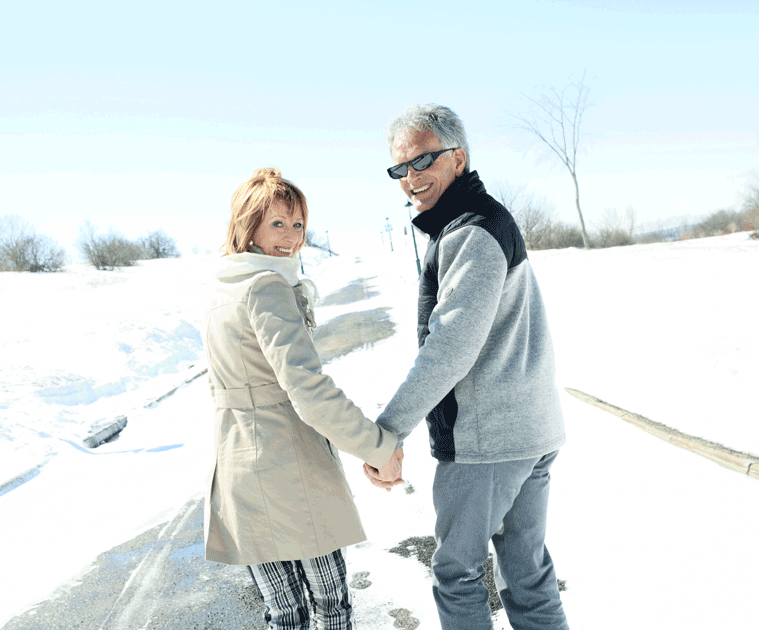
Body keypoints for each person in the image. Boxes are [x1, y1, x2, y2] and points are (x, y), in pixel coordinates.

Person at [363, 105, 569, 630]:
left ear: (458, 157)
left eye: (423, 160)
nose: (411, 178)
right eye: (400, 169)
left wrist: (386, 432)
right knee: (527, 575)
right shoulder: (478, 221)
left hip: (487, 442)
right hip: (527, 430)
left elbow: (449, 347)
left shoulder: (471, 231)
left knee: (457, 573)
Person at [203, 167, 401, 630]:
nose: (291, 237)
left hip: (239, 470)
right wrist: (378, 447)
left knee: (284, 615)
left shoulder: (221, 286)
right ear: (246, 224)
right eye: (277, 223)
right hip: (288, 467)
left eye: (298, 225)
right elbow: (307, 389)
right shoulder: (266, 286)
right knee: (330, 605)